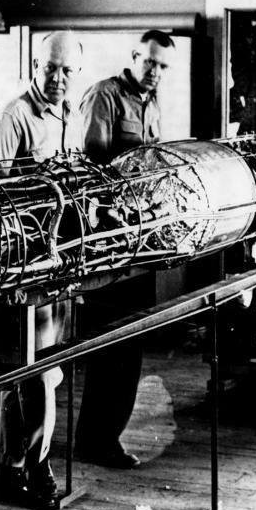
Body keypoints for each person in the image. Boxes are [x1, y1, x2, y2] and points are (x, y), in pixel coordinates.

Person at [0, 30, 84, 510]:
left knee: (43, 371)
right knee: (31, 374)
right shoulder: (10, 119)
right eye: (50, 69)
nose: (58, 79)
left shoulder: (68, 116)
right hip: (23, 269)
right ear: (34, 66)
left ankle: (13, 466)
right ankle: (34, 467)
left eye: (67, 71)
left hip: (59, 265)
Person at [74, 29, 177, 470]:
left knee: (131, 343)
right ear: (134, 56)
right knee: (108, 346)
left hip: (141, 239)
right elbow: (90, 168)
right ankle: (94, 441)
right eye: (149, 62)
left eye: (162, 66)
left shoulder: (151, 103)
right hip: (108, 243)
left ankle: (107, 437)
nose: (155, 72)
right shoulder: (105, 96)